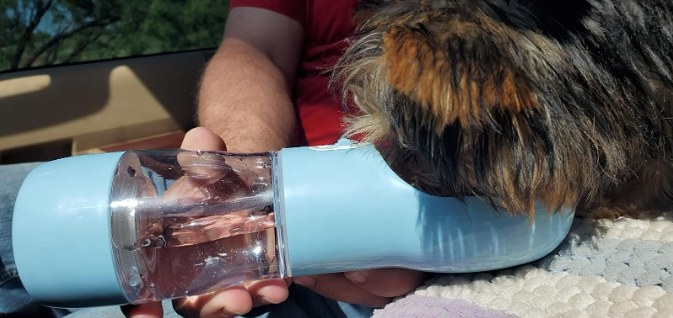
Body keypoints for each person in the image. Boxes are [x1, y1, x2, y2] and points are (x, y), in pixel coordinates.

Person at [1, 1, 428, 317]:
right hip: (251, 175)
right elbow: (254, 49)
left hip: (375, 237)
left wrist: (430, 240)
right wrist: (232, 179)